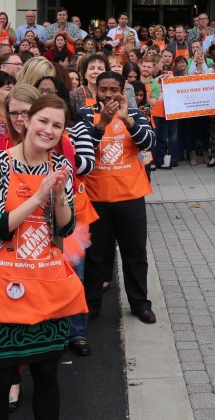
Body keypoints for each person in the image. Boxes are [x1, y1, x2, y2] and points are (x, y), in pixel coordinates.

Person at [0, 95, 85, 419]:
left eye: (57, 125)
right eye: (43, 121)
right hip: (3, 287)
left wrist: (60, 195)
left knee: (48, 377)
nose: (49, 130)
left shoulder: (59, 167)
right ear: (27, 121)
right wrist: (38, 195)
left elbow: (64, 229)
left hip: (46, 286)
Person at [76, 71, 156, 324]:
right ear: (95, 91)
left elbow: (149, 143)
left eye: (113, 89)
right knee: (96, 255)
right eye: (103, 89)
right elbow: (82, 149)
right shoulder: (85, 115)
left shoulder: (134, 115)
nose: (108, 94)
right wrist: (102, 123)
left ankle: (140, 304)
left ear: (123, 90)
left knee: (135, 254)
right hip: (95, 197)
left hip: (130, 196)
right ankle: (92, 305)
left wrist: (128, 122)